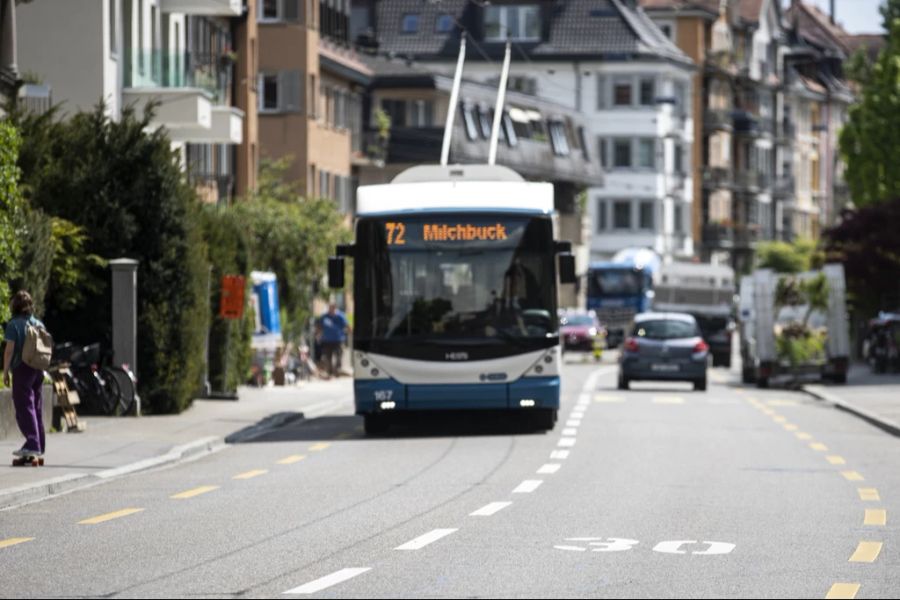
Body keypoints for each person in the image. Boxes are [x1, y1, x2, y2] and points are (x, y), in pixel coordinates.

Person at [2, 291, 47, 459]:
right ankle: (39, 444)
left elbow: (9, 351)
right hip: (38, 368)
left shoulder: (14, 325)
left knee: (24, 406)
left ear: (16, 306)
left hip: (22, 369)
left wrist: (5, 371)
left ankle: (32, 444)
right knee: (36, 406)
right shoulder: (38, 323)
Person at [316, 303, 350, 378]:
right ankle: (330, 372)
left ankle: (337, 369)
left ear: (335, 308)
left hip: (338, 339)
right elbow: (319, 326)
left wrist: (350, 331)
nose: (331, 309)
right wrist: (318, 335)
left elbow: (347, 325)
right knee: (328, 357)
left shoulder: (340, 316)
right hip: (327, 340)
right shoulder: (324, 317)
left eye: (333, 308)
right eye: (330, 308)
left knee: (339, 355)